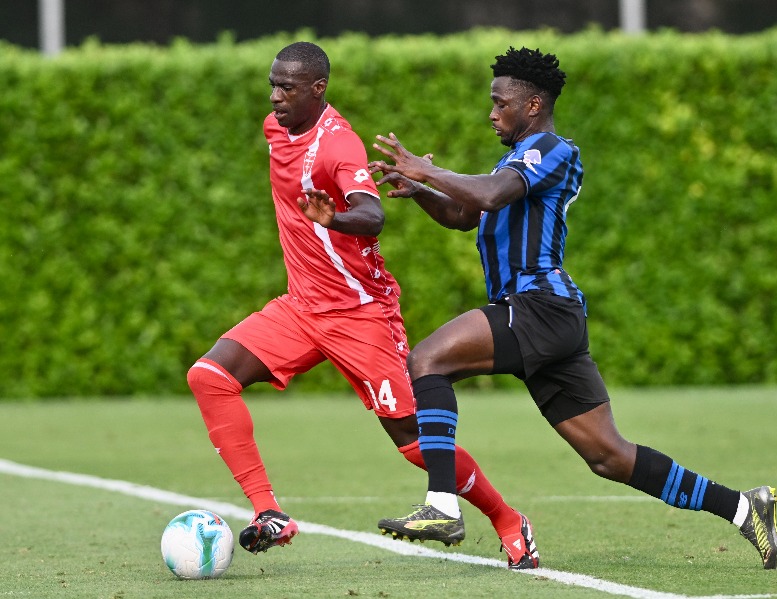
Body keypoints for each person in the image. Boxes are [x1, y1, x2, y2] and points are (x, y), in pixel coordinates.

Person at [369, 46, 777, 570]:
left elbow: (490, 195)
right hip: (544, 317)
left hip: (540, 305)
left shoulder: (552, 149)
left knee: (428, 359)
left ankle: (443, 505)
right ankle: (744, 507)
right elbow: (465, 214)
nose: (492, 113)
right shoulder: (516, 159)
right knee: (609, 457)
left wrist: (429, 171)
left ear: (533, 104)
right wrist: (419, 189)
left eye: (500, 103)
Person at [186, 41, 540, 570]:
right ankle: (269, 513)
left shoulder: (338, 145)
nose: (275, 96)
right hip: (301, 308)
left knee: (415, 441)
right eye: (272, 85)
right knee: (210, 377)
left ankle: (509, 520)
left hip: (359, 313)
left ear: (318, 89)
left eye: (287, 87)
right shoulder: (275, 128)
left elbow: (372, 215)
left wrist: (332, 219)